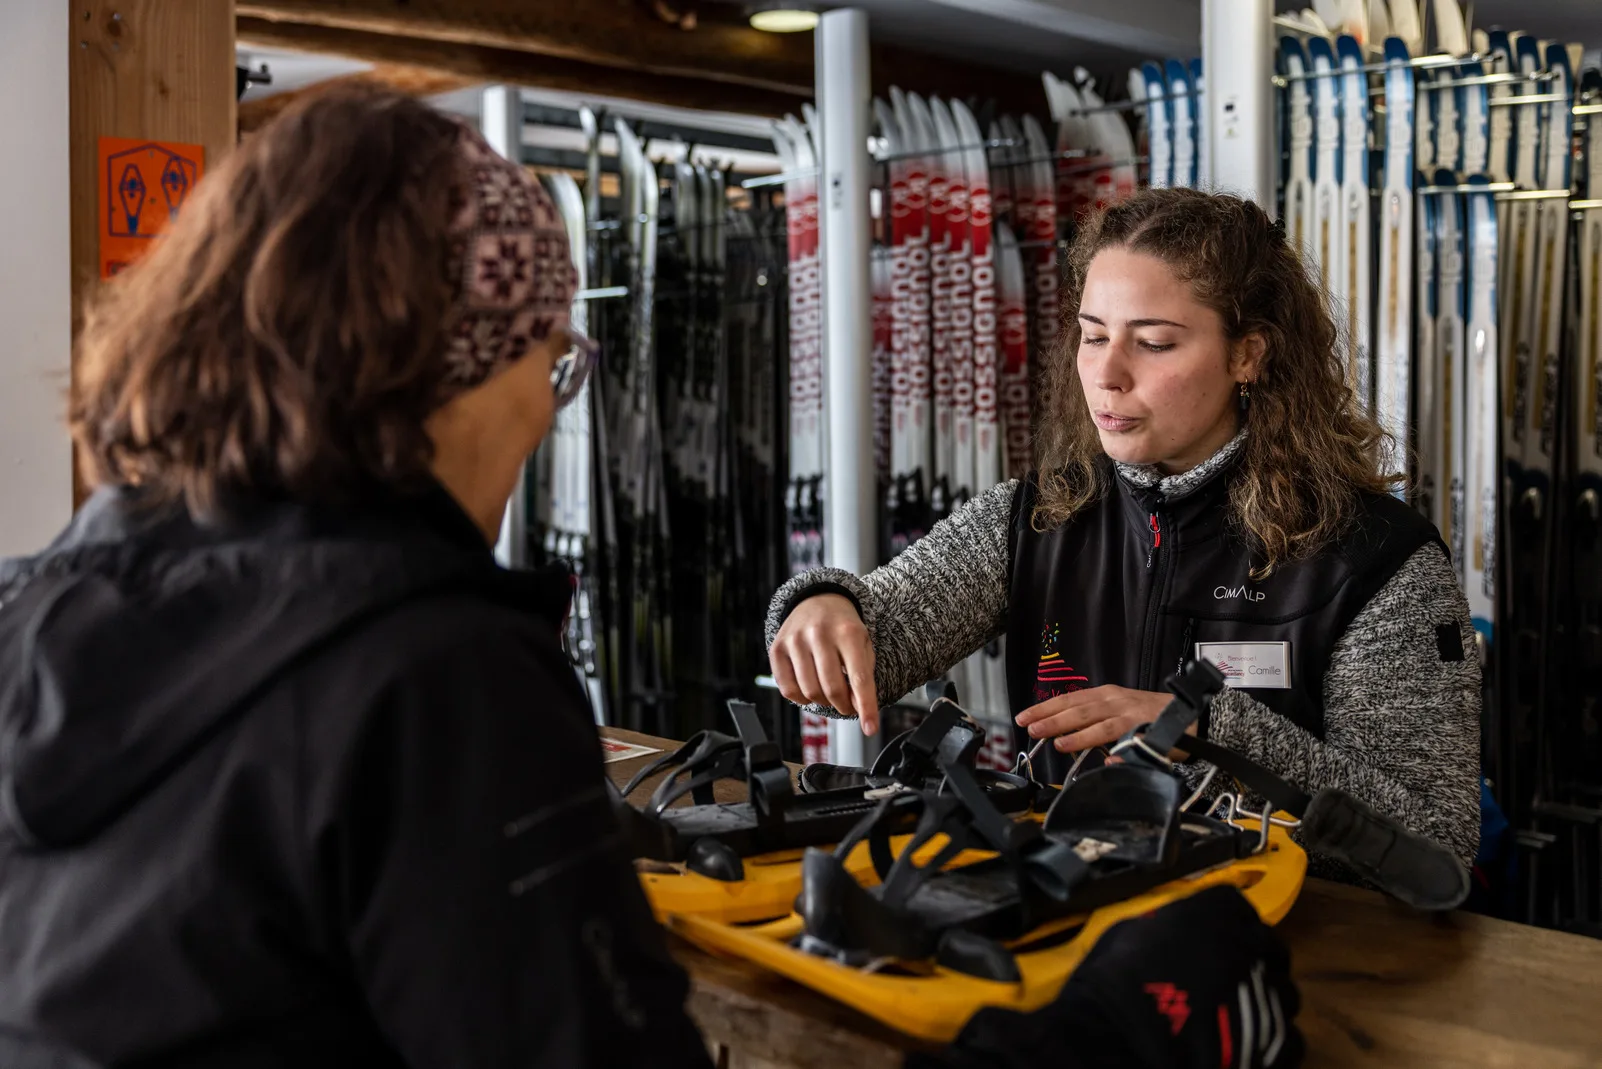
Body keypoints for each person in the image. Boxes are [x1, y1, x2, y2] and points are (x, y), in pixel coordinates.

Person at [0, 89, 1302, 1069]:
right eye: (549, 371)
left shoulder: (34, 602)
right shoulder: (429, 669)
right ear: (444, 370)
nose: (537, 426)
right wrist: (1101, 1026)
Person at [768, 187, 1481, 876]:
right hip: (1067, 925)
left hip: (1287, 953)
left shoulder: (1379, 563)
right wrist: (823, 604)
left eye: (1156, 343)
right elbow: (877, 640)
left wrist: (1205, 729)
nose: (1106, 373)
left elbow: (1432, 844)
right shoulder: (1036, 519)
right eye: (1093, 335)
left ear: (1248, 355)